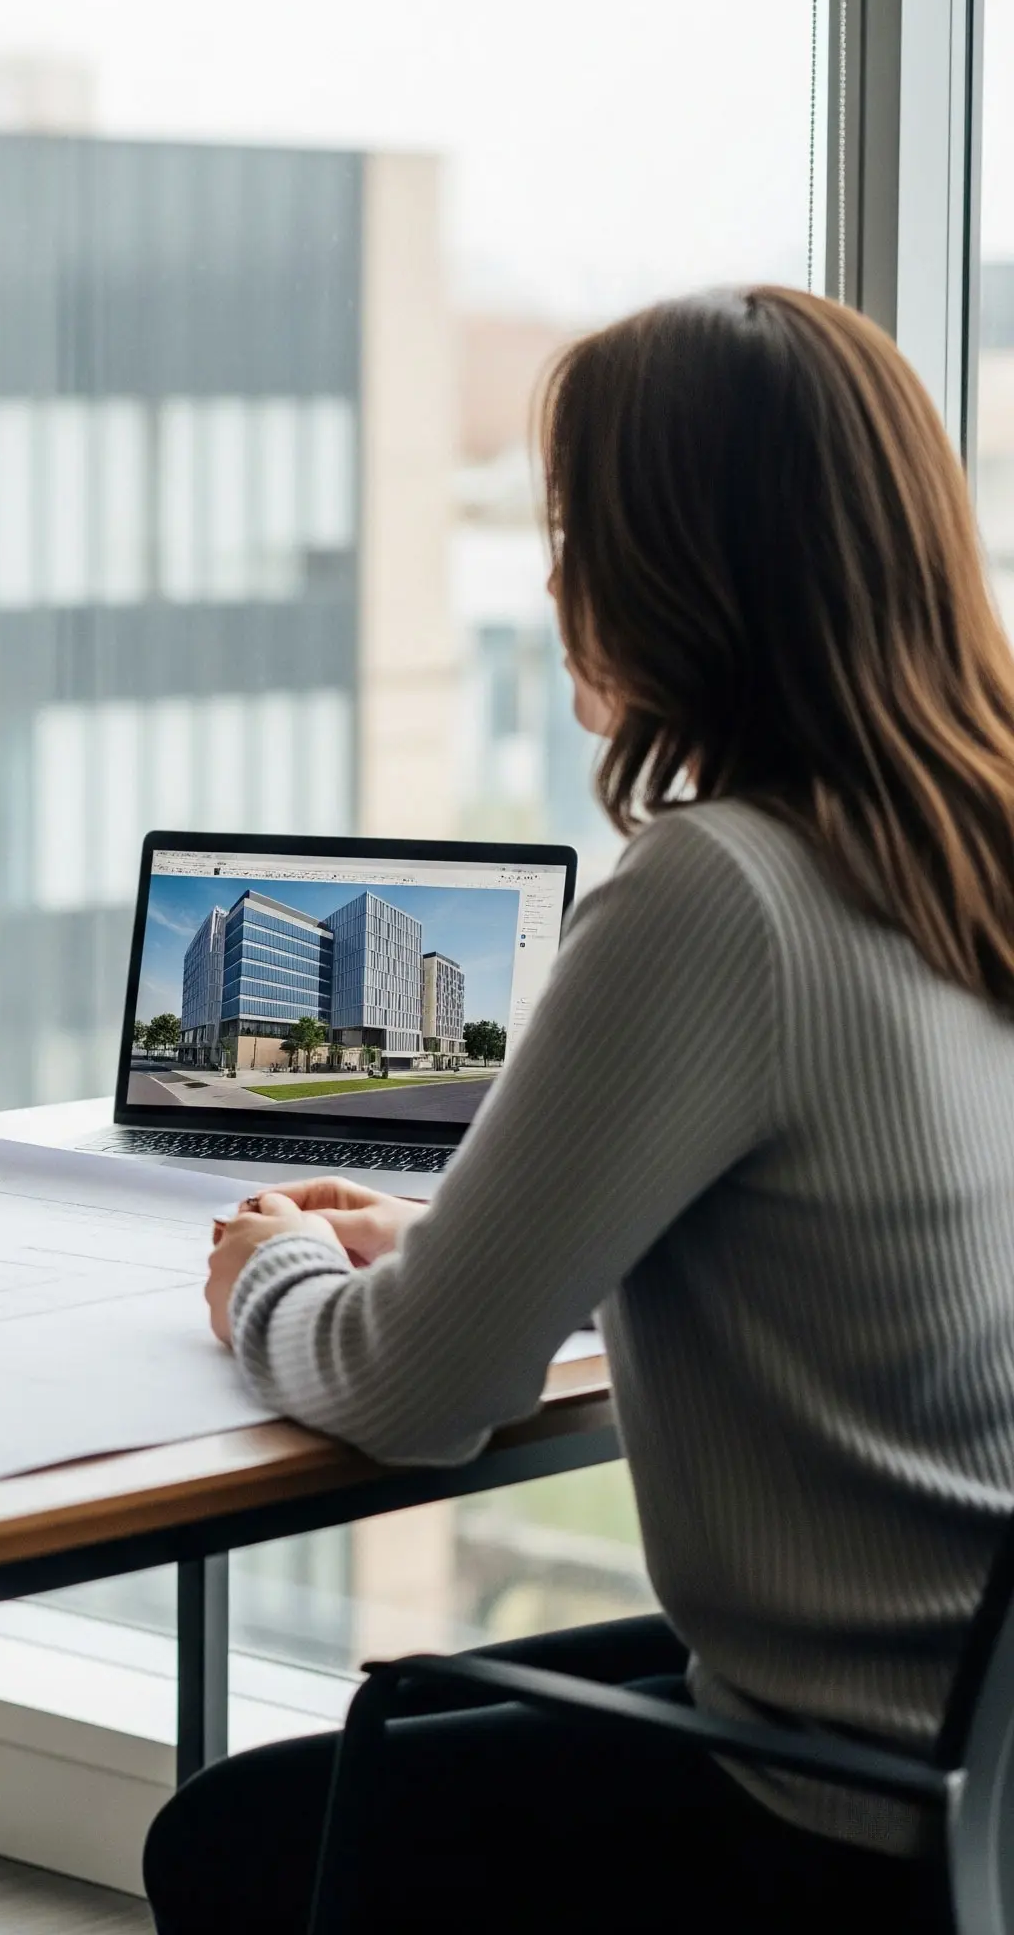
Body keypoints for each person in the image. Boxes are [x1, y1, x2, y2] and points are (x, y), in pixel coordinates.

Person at [148, 287, 1014, 1933]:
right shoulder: (970, 842)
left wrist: (264, 1272)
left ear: (683, 570)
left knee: (233, 1845)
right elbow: (845, 1231)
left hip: (847, 1808)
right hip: (983, 1748)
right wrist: (454, 1236)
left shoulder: (723, 890)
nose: (550, 582)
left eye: (572, 530)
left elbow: (416, 1391)